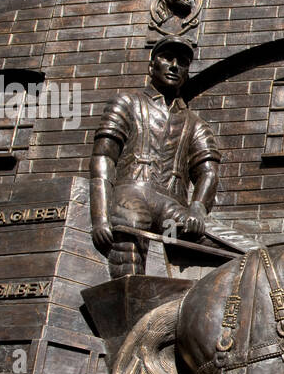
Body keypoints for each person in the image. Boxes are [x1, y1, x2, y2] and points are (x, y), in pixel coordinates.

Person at [89, 36, 220, 277]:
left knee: (220, 245)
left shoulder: (195, 124)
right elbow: (104, 158)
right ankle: (126, 306)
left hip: (172, 207)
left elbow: (208, 172)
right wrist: (100, 217)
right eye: (167, 58)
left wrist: (197, 210)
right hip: (132, 192)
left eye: (181, 62)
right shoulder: (126, 103)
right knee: (130, 225)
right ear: (152, 66)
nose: (174, 66)